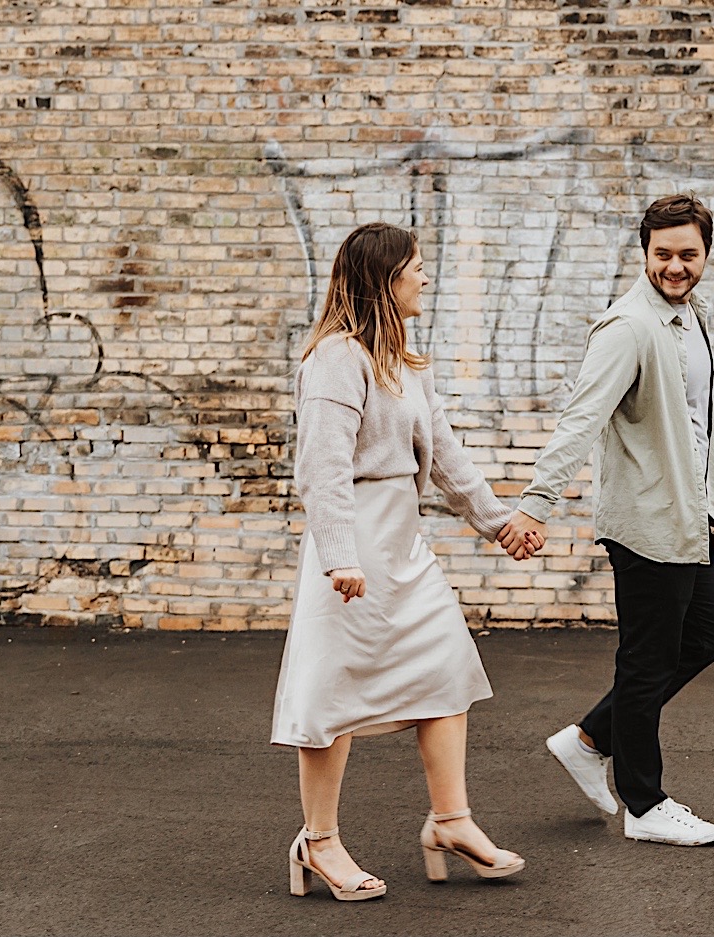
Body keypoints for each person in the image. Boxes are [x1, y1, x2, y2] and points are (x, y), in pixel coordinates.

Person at [273, 222, 535, 900]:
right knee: (330, 693)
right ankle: (318, 842)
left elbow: (446, 457)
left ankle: (451, 821)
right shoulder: (336, 360)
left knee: (445, 668)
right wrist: (337, 557)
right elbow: (321, 468)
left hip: (402, 545)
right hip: (353, 545)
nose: (427, 277)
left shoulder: (404, 363)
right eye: (416, 268)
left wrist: (499, 522)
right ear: (383, 280)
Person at [498, 194, 714, 847]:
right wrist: (535, 503)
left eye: (688, 254)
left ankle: (590, 738)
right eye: (663, 254)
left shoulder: (691, 316)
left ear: (706, 253)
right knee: (647, 657)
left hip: (688, 514)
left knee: (705, 638)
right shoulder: (630, 326)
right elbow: (581, 418)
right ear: (644, 253)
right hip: (647, 517)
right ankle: (644, 803)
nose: (676, 266)